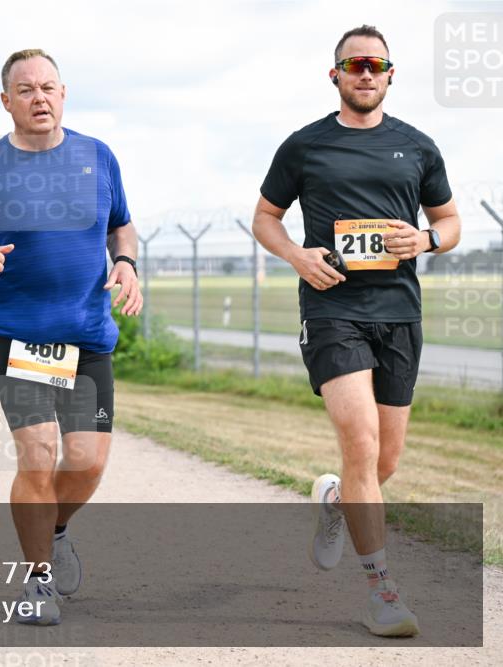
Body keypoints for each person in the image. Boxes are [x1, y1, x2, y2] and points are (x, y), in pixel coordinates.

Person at [252, 25, 461, 638]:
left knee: (383, 458)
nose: (365, 73)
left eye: (376, 64)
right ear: (336, 75)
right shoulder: (305, 146)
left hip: (399, 312)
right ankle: (383, 592)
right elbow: (266, 217)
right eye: (354, 65)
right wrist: (296, 255)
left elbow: (449, 222)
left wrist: (425, 238)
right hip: (331, 310)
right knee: (363, 443)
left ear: (390, 74)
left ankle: (337, 499)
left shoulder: (419, 147)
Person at [0, 49, 142, 625]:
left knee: (87, 461)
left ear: (64, 93)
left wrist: (125, 262)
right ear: (7, 102)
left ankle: (54, 529)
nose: (39, 97)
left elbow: (122, 223)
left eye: (48, 87)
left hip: (89, 334)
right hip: (19, 336)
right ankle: (38, 581)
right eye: (25, 90)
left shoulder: (97, 157)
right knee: (39, 453)